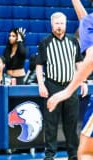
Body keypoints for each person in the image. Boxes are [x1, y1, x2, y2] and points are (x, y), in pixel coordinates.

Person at [35, 12, 88, 160]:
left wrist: (82, 81)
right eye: (57, 23)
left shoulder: (73, 41)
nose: (59, 26)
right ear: (52, 25)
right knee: (51, 123)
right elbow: (39, 66)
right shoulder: (45, 42)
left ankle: (73, 155)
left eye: (62, 23)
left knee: (71, 123)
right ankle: (50, 155)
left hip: (71, 86)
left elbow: (79, 63)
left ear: (66, 24)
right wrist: (41, 85)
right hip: (52, 85)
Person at [47, 0, 93, 159]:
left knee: (86, 152)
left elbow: (91, 57)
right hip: (53, 83)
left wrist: (68, 90)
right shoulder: (46, 43)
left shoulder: (86, 25)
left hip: (68, 86)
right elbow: (86, 22)